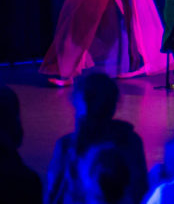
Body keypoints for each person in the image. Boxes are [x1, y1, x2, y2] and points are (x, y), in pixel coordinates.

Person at [46, 73, 148, 204]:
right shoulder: (129, 140)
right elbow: (140, 191)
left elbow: (52, 193)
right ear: (113, 106)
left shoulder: (67, 145)